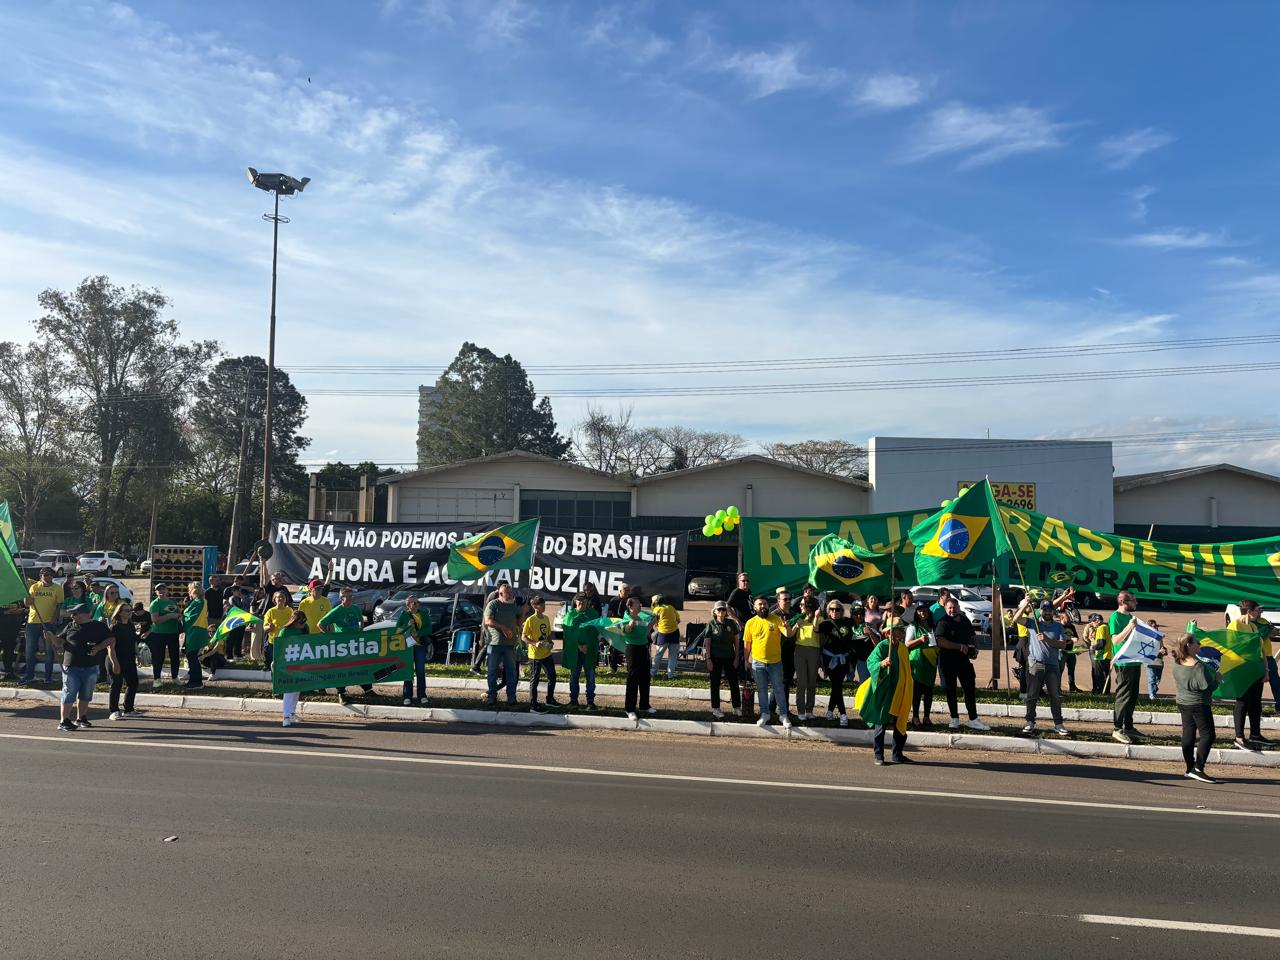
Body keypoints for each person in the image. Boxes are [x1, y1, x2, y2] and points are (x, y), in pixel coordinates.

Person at [857, 617, 913, 765]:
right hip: (885, 691)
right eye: (899, 630)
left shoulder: (902, 648)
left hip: (898, 691)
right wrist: (882, 664)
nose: (902, 632)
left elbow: (906, 670)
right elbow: (871, 663)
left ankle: (897, 754)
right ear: (889, 633)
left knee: (899, 722)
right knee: (881, 723)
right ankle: (878, 755)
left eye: (902, 630)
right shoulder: (882, 646)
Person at [49, 600, 111, 731]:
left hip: (91, 666)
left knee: (86, 693)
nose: (72, 616)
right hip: (71, 666)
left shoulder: (98, 626)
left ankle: (81, 717)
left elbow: (111, 639)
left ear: (87, 614)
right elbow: (59, 642)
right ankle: (64, 720)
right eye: (72, 614)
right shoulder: (70, 626)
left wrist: (98, 647)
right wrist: (51, 637)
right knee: (69, 692)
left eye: (75, 613)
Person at [1013, 597, 1071, 737]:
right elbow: (1016, 618)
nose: (1047, 612)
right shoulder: (1033, 623)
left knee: (1055, 696)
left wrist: (1046, 639)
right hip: (1035, 664)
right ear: (1040, 611)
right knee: (1032, 695)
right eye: (1044, 610)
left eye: (1050, 610)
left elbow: (1062, 645)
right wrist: (1026, 603)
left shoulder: (1058, 626)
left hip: (1052, 665)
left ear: (1053, 611)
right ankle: (1030, 722)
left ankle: (1058, 724)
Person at [933, 596, 991, 731]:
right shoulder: (943, 622)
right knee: (951, 690)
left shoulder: (965, 620)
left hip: (964, 662)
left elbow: (972, 636)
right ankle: (954, 718)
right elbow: (940, 641)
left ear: (959, 608)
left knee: (969, 689)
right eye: (949, 608)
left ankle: (973, 719)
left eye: (954, 607)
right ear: (946, 609)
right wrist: (959, 647)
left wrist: (975, 648)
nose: (952, 610)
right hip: (947, 662)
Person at [1172, 632, 1218, 783]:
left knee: (1188, 734)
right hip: (1198, 703)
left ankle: (1189, 767)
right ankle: (1198, 768)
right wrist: (1217, 680)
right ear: (1189, 645)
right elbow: (1205, 687)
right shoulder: (1197, 666)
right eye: (1197, 642)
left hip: (1183, 702)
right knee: (1208, 735)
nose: (1200, 644)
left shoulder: (1177, 662)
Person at [743, 595, 793, 729]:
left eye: (765, 604)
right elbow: (747, 644)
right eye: (760, 604)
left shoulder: (777, 619)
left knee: (779, 689)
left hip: (775, 662)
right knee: (762, 690)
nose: (763, 606)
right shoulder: (750, 623)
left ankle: (783, 715)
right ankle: (765, 714)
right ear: (754, 607)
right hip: (757, 663)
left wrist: (787, 626)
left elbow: (788, 635)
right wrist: (746, 660)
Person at [1229, 600, 1272, 748]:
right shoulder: (1235, 625)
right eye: (1257, 610)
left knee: (1255, 702)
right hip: (1242, 670)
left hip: (1256, 669)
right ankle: (1239, 737)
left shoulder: (1253, 626)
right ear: (1249, 611)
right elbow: (1232, 649)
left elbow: (1261, 651)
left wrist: (1266, 671)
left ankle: (1255, 734)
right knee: (1242, 702)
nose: (1259, 612)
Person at [320, 587, 373, 704]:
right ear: (341, 598)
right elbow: (321, 624)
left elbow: (361, 620)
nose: (350, 599)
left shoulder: (355, 608)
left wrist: (361, 631)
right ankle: (341, 693)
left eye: (351, 596)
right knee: (341, 669)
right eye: (347, 597)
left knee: (360, 666)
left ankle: (368, 689)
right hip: (342, 646)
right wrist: (330, 635)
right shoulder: (336, 611)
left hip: (355, 644)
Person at [1109, 592, 1144, 745]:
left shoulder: (1131, 617)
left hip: (1134, 661)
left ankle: (1128, 726)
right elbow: (1116, 640)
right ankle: (1117, 728)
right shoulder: (1115, 617)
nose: (1136, 602)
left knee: (1132, 695)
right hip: (1124, 662)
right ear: (1123, 601)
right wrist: (1129, 627)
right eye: (1133, 600)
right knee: (1123, 695)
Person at [21, 567, 63, 686]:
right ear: (41, 576)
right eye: (46, 575)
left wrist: (53, 621)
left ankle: (48, 676)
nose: (49, 577)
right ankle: (29, 675)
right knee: (30, 651)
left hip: (49, 624)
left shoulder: (57, 588)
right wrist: (26, 594)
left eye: (51, 575)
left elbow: (59, 606)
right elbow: (27, 604)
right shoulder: (34, 587)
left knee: (49, 652)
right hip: (33, 622)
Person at [483, 583, 522, 707]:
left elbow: (518, 621)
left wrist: (523, 613)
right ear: (501, 594)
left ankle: (511, 697)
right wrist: (502, 627)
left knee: (511, 671)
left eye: (511, 592)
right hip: (495, 644)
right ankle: (492, 696)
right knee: (492, 671)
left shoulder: (513, 605)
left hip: (510, 645)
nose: (511, 595)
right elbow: (488, 620)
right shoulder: (493, 604)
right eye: (508, 593)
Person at [817, 598, 855, 726]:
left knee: (837, 685)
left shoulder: (848, 622)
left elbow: (860, 620)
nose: (834, 611)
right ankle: (843, 714)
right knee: (837, 684)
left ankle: (829, 711)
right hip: (830, 659)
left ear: (841, 611)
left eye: (837, 609)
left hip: (844, 658)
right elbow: (815, 629)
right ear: (828, 611)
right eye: (832, 609)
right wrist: (816, 617)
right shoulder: (826, 624)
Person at [702, 601, 740, 719]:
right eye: (719, 610)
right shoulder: (711, 624)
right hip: (715, 657)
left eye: (723, 609)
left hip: (729, 657)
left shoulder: (731, 623)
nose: (721, 612)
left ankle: (736, 707)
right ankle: (716, 708)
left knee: (733, 682)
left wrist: (737, 657)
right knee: (715, 683)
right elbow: (707, 642)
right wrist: (708, 659)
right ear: (714, 611)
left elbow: (736, 642)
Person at [560, 593, 598, 709]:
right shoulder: (570, 615)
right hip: (575, 651)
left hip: (589, 650)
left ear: (587, 602)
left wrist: (587, 645)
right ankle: (573, 700)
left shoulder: (593, 614)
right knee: (574, 676)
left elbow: (596, 631)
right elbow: (567, 633)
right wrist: (579, 646)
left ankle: (590, 701)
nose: (581, 602)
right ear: (575, 602)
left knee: (590, 676)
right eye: (579, 600)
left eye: (584, 600)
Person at [620, 596, 655, 721]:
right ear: (630, 607)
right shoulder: (626, 618)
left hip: (643, 648)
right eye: (637, 604)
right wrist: (629, 625)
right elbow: (625, 631)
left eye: (640, 604)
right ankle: (629, 709)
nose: (640, 606)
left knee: (645, 677)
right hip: (632, 650)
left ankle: (644, 705)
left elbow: (646, 630)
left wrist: (653, 621)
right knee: (633, 679)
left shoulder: (642, 616)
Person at [523, 594, 557, 712]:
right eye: (542, 605)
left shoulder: (546, 618)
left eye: (544, 604)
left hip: (546, 653)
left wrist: (551, 643)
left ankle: (550, 699)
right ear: (535, 606)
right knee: (535, 679)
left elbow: (547, 635)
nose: (544, 606)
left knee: (552, 676)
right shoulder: (530, 620)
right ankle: (533, 704)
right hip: (535, 655)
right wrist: (534, 643)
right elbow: (524, 637)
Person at [107, 604, 141, 720]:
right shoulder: (114, 627)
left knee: (133, 683)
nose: (130, 612)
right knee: (116, 685)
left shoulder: (131, 626)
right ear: (120, 612)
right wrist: (115, 663)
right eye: (127, 610)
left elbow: (134, 642)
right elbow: (110, 648)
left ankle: (129, 709)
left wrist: (138, 655)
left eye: (130, 610)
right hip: (115, 659)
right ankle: (114, 711)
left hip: (129, 659)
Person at [278, 608, 311, 726]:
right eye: (301, 622)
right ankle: (285, 717)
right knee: (289, 689)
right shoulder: (285, 632)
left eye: (304, 622)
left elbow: (309, 643)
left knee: (297, 689)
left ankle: (292, 713)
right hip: (288, 663)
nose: (303, 624)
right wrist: (276, 662)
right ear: (294, 622)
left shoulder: (305, 629)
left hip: (300, 662)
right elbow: (279, 649)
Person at [792, 595, 823, 721]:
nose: (800, 606)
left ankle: (809, 710)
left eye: (802, 604)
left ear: (809, 605)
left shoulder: (819, 618)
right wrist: (795, 625)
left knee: (811, 682)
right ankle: (801, 710)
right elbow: (790, 633)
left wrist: (815, 616)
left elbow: (816, 629)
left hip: (814, 651)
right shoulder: (799, 618)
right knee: (801, 682)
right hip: (799, 650)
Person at [398, 595, 432, 707]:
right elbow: (397, 630)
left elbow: (429, 629)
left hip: (419, 646)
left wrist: (418, 633)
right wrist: (406, 626)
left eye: (417, 602)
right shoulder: (404, 615)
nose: (416, 604)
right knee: (408, 671)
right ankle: (407, 696)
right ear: (408, 605)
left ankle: (422, 695)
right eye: (413, 603)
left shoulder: (424, 614)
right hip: (407, 647)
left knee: (420, 671)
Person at [147, 582, 182, 686]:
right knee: (159, 657)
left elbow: (178, 614)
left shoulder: (173, 602)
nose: (161, 591)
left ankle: (175, 677)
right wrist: (170, 616)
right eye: (159, 590)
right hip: (159, 634)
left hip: (173, 633)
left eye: (163, 589)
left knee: (175, 656)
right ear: (156, 592)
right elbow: (155, 620)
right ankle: (156, 679)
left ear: (167, 590)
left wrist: (180, 617)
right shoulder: (155, 603)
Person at [907, 610, 938, 729]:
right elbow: (907, 644)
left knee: (929, 690)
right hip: (917, 662)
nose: (922, 613)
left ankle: (926, 716)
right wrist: (919, 640)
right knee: (917, 691)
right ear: (916, 613)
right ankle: (915, 717)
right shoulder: (913, 627)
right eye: (919, 611)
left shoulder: (933, 627)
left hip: (931, 662)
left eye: (924, 611)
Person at [181, 581, 209, 689]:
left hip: (195, 631)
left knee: (192, 657)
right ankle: (193, 680)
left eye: (189, 590)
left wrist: (181, 617)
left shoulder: (199, 601)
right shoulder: (199, 601)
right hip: (194, 631)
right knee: (191, 657)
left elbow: (189, 617)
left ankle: (197, 682)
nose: (188, 592)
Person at [648, 594, 681, 680]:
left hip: (663, 635)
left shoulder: (657, 609)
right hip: (674, 634)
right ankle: (670, 675)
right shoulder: (671, 607)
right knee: (673, 656)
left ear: (656, 603)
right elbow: (678, 620)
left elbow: (653, 622)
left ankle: (653, 673)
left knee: (658, 655)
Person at [772, 587, 797, 701]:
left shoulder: (793, 614)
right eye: (785, 599)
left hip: (791, 651)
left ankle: (783, 709)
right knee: (779, 681)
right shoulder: (774, 616)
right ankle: (772, 707)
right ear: (778, 601)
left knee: (787, 681)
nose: (787, 601)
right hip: (778, 652)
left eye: (789, 599)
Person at [262, 589, 294, 672]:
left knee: (285, 662)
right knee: (274, 663)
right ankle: (275, 679)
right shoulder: (270, 612)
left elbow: (293, 625)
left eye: (282, 597)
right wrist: (269, 627)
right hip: (274, 642)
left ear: (286, 599)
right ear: (274, 599)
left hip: (286, 641)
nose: (280, 599)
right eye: (278, 597)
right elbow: (265, 628)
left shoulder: (290, 611)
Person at [1143, 618, 1168, 700]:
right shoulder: (1146, 638)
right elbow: (1146, 651)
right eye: (1154, 626)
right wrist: (1158, 651)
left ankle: (1153, 690)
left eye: (1156, 626)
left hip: (1159, 660)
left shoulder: (1159, 638)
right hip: (1149, 661)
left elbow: (1162, 647)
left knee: (1157, 679)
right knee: (1152, 678)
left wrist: (1164, 651)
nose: (1156, 627)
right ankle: (1152, 695)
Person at [1088, 614, 1112, 695]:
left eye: (1093, 622)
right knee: (1106, 674)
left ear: (1097, 621)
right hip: (1108, 655)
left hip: (1101, 655)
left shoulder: (1101, 628)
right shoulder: (1107, 627)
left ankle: (1100, 691)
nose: (1092, 624)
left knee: (1099, 675)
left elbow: (1101, 643)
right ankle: (1106, 691)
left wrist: (1093, 647)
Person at [0, 599, 20, 680]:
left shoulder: (16, 597)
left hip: (12, 628)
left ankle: (8, 672)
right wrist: (7, 612)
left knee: (9, 650)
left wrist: (19, 612)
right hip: (1, 626)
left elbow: (22, 608)